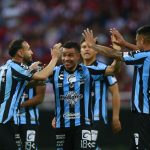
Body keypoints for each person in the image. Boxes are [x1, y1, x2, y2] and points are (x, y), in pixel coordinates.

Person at [82, 26, 150, 150]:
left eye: (136, 40)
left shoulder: (144, 57)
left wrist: (94, 45)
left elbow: (115, 54)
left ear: (141, 41)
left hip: (144, 112)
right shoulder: (146, 56)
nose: (135, 43)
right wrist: (124, 43)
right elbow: (140, 51)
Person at [49, 41, 118, 150]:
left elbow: (114, 70)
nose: (66, 58)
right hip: (62, 126)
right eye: (64, 55)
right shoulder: (54, 72)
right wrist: (53, 58)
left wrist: (117, 52)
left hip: (83, 124)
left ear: (78, 56)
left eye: (70, 55)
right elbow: (36, 79)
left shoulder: (88, 71)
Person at [0, 39, 61, 150]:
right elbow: (42, 76)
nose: (32, 52)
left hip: (6, 120)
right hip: (3, 121)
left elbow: (20, 86)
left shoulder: (6, 67)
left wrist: (34, 76)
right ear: (20, 53)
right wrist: (55, 58)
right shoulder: (15, 67)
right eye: (28, 49)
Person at [80, 37, 121, 149]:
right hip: (78, 118)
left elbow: (115, 92)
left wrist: (116, 117)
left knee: (87, 146)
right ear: (80, 51)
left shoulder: (103, 68)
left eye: (90, 47)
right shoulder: (76, 70)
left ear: (96, 50)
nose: (86, 49)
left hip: (96, 118)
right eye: (84, 47)